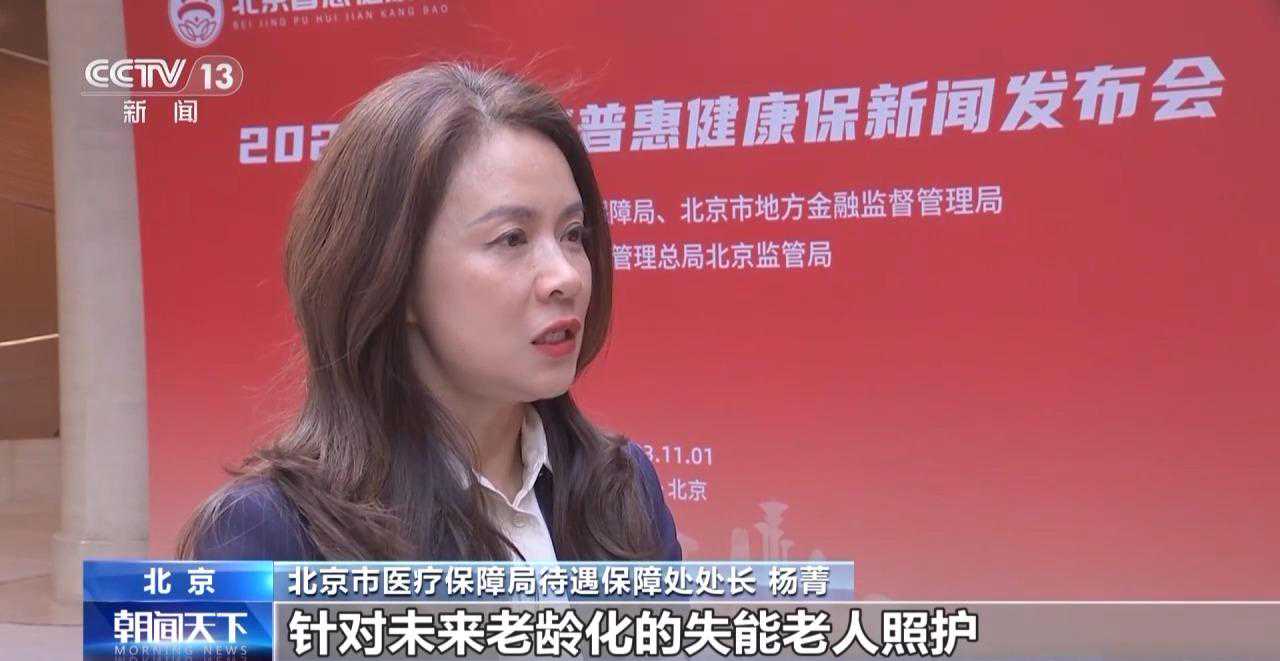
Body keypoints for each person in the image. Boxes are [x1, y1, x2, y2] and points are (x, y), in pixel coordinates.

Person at [175, 62, 681, 563]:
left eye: (572, 234)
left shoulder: (621, 489)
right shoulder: (272, 533)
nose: (566, 276)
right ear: (394, 277)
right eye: (512, 239)